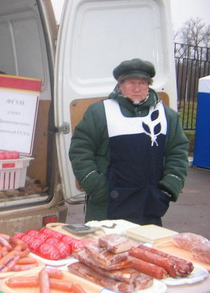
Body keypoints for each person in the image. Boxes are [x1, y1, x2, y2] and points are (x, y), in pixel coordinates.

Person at [69, 58, 189, 226]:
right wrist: (95, 186)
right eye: (131, 82)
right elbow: (80, 150)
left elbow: (177, 152)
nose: (137, 88)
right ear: (120, 85)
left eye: (143, 83)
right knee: (103, 249)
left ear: (149, 85)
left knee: (144, 249)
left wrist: (168, 188)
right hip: (107, 203)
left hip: (149, 204)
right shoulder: (100, 112)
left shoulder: (167, 116)